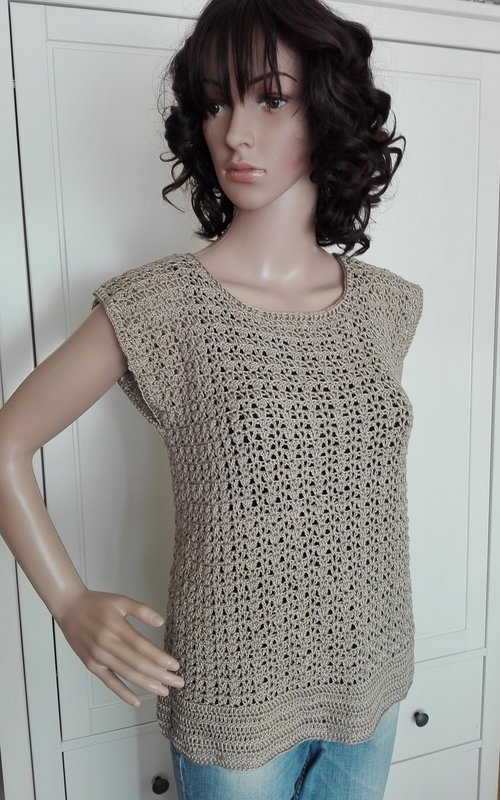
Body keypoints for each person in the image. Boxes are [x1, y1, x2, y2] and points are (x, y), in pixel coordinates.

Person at [0, 0, 424, 798]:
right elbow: (6, 444)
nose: (235, 133)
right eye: (214, 103)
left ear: (326, 108)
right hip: (236, 705)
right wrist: (69, 601)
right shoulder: (159, 308)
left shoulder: (387, 307)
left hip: (373, 681)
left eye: (270, 98)